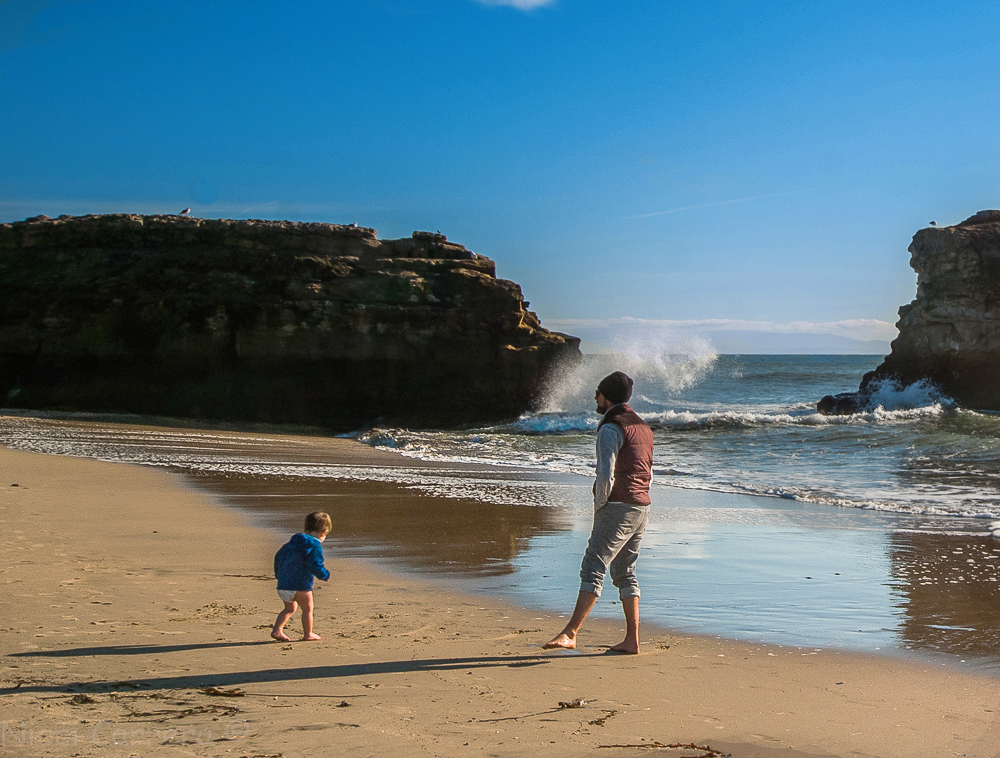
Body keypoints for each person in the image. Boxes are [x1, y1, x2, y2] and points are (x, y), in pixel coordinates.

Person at [544, 371, 654, 654]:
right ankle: (632, 640)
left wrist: (600, 505)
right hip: (642, 506)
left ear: (607, 397)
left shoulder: (610, 428)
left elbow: (605, 475)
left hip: (618, 505)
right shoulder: (644, 427)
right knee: (624, 571)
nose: (595, 397)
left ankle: (570, 632)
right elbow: (647, 472)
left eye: (598, 393)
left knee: (593, 565)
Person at [271, 511, 332, 641]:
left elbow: (278, 557)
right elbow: (315, 564)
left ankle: (277, 630)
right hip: (300, 585)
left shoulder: (291, 543)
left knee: (289, 608)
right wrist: (324, 575)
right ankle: (308, 634)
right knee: (307, 609)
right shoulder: (314, 545)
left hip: (283, 585)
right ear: (323, 532)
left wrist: (279, 575)